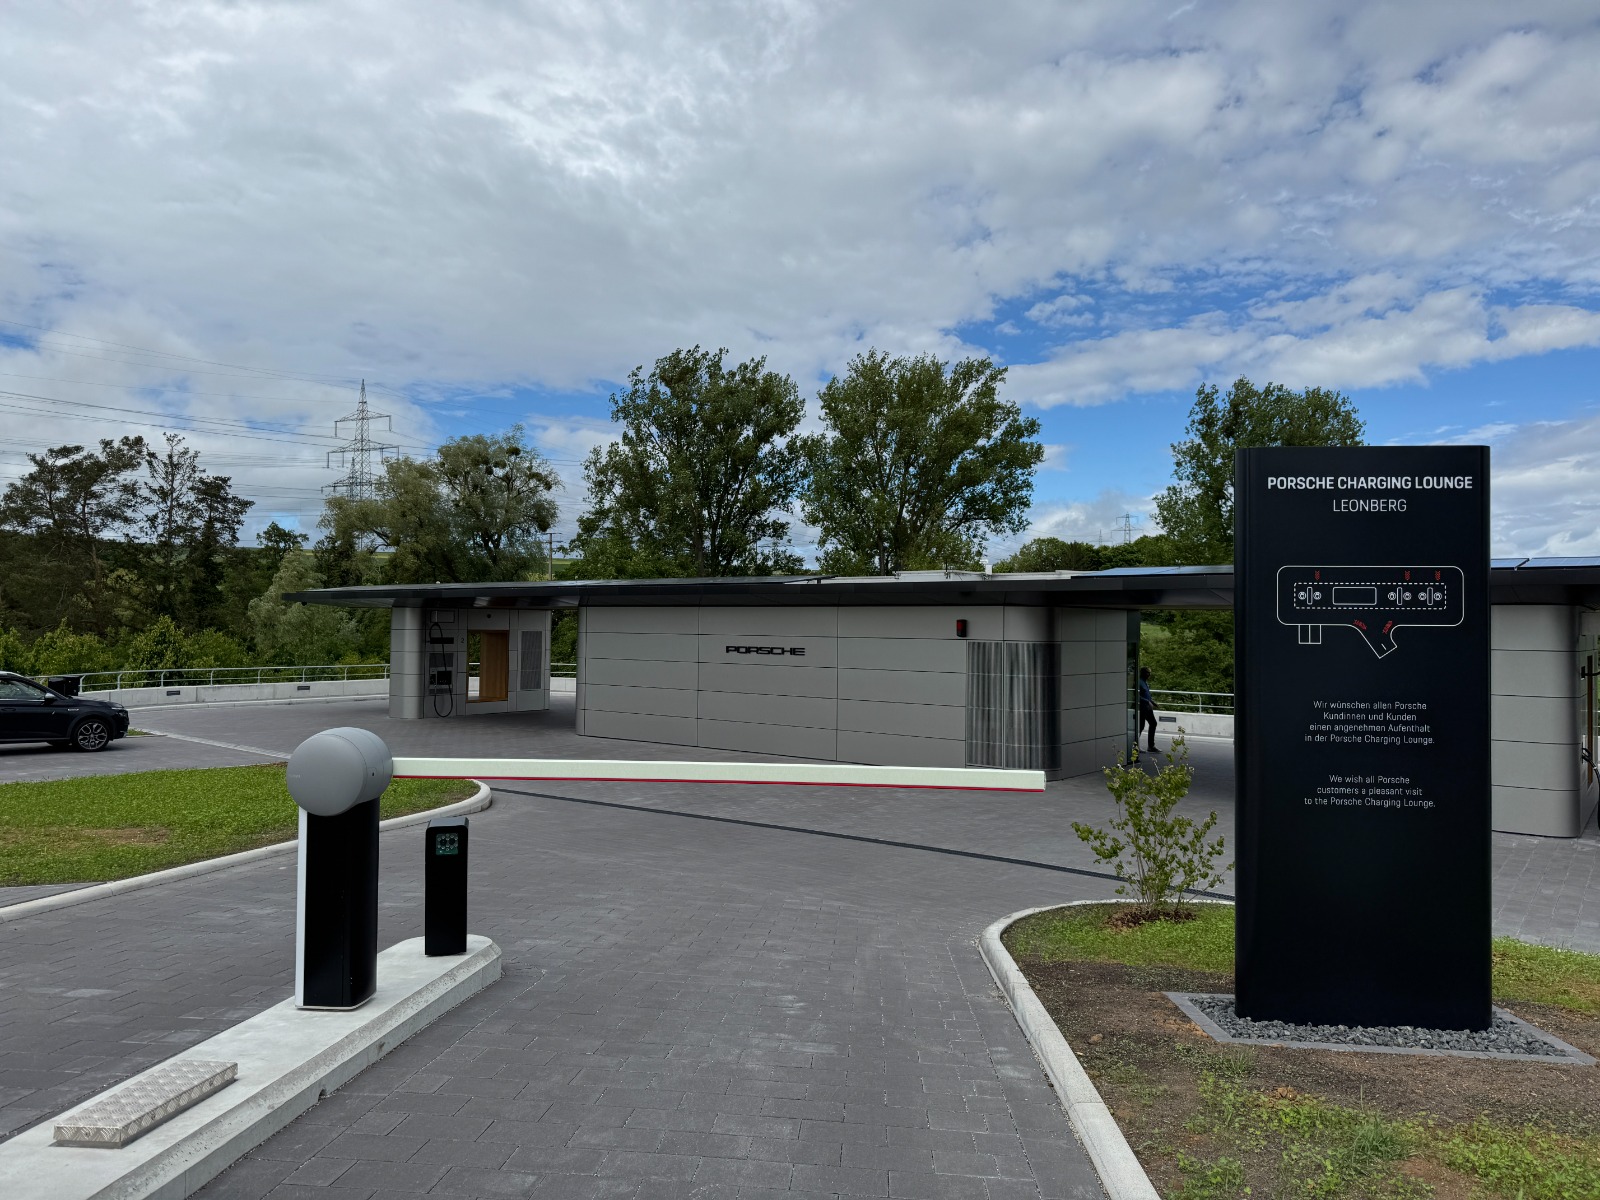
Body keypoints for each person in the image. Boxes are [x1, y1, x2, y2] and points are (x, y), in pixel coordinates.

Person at [1138, 666, 1157, 753]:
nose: (1149, 674)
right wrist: (1147, 702)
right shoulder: (1139, 682)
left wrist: (1152, 702)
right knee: (1141, 726)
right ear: (1143, 673)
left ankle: (1151, 746)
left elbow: (1146, 695)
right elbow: (1137, 696)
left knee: (1153, 723)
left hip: (1148, 707)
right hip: (1143, 708)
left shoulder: (1145, 683)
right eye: (1147, 672)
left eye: (1149, 673)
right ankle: (1135, 746)